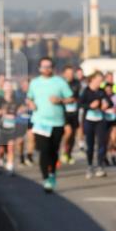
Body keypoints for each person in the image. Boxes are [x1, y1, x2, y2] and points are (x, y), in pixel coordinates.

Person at [26, 57, 75, 193]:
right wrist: (31, 104)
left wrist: (60, 100)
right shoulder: (34, 83)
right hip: (40, 122)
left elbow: (71, 98)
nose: (46, 69)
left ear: (52, 68)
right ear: (39, 68)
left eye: (48, 66)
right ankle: (46, 178)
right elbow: (29, 98)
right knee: (44, 150)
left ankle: (52, 173)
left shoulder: (60, 82)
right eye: (43, 66)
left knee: (53, 151)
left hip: (57, 122)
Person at [80, 72, 111, 178]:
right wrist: (90, 106)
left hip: (100, 120)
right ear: (92, 79)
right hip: (89, 120)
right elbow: (80, 104)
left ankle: (100, 166)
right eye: (98, 80)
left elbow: (110, 102)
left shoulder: (101, 91)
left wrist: (106, 104)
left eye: (101, 81)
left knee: (102, 143)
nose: (100, 83)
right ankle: (89, 165)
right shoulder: (86, 91)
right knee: (90, 145)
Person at [60, 65, 81, 165]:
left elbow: (81, 96)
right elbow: (56, 97)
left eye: (72, 73)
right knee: (68, 132)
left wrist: (75, 100)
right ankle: (64, 150)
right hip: (64, 112)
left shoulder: (77, 83)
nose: (70, 75)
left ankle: (69, 153)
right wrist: (65, 100)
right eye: (68, 73)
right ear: (64, 74)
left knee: (73, 135)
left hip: (74, 112)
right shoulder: (60, 84)